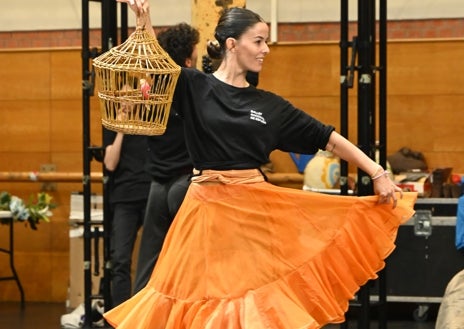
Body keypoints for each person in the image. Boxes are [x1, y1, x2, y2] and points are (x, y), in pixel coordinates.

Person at [105, 1, 417, 328]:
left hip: (253, 214)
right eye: (258, 41)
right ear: (232, 44)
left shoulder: (268, 106)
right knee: (197, 303)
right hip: (204, 214)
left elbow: (328, 137)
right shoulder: (196, 87)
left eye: (266, 41)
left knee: (252, 306)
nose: (266, 49)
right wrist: (144, 22)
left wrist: (377, 172)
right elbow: (158, 71)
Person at [132, 22, 200, 294]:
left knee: (148, 263)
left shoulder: (151, 91)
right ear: (186, 61)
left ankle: (136, 319)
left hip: (157, 187)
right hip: (184, 184)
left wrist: (144, 19)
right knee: (190, 262)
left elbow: (153, 59)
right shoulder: (192, 89)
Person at [103, 94, 151, 308]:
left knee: (152, 260)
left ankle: (145, 313)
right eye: (121, 97)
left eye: (129, 96)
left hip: (151, 194)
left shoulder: (152, 122)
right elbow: (110, 164)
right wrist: (121, 129)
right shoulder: (112, 125)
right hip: (124, 196)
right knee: (120, 258)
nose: (125, 102)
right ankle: (120, 315)